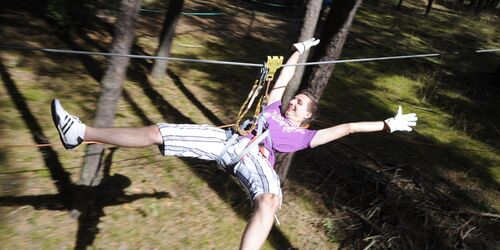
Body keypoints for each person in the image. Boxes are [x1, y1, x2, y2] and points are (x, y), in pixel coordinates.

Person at [51, 38, 417, 250]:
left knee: (270, 201)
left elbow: (349, 128)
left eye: (301, 104)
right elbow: (284, 78)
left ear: (307, 118)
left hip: (256, 160)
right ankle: (79, 132)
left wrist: (387, 125)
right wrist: (299, 51)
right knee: (155, 132)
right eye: (295, 99)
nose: (294, 102)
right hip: (228, 142)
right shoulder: (274, 107)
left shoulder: (302, 136)